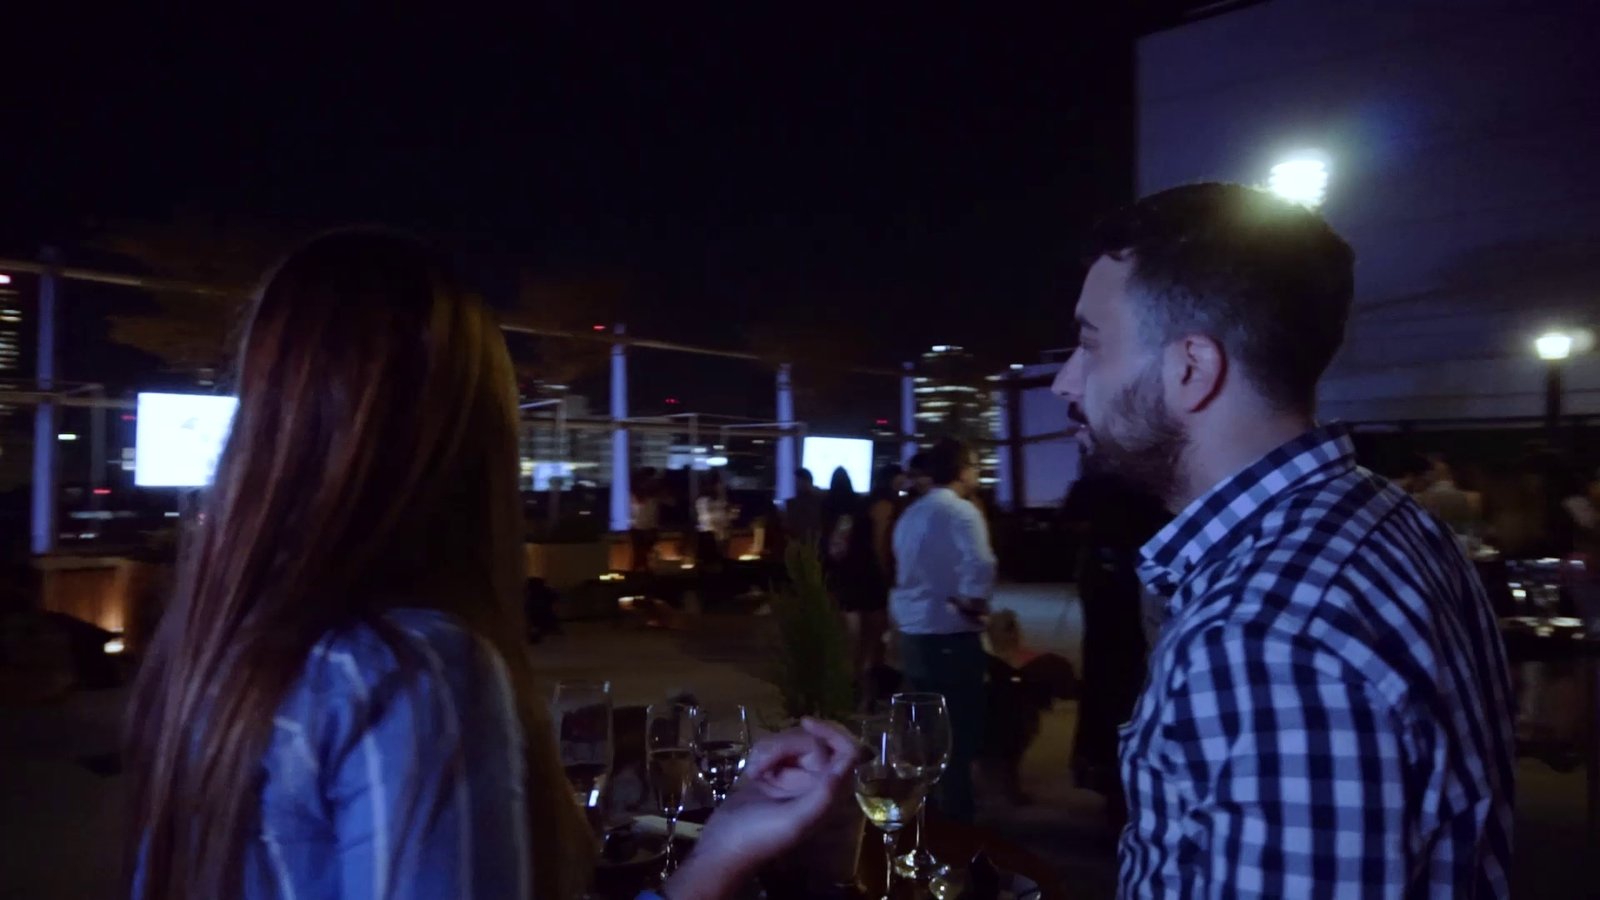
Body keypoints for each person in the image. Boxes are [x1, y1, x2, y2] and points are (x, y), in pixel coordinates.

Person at [123, 230, 857, 900]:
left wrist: (720, 849)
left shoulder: (212, 661)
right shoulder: (414, 671)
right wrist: (715, 871)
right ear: (473, 437)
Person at [1052, 184, 1514, 896]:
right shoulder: (1384, 515)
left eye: (1090, 344)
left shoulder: (1266, 637)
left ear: (1190, 369)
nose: (1065, 381)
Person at [889, 437, 995, 823]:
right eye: (975, 466)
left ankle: (926, 811)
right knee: (958, 731)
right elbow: (979, 565)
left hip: (914, 631)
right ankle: (957, 819)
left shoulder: (911, 514)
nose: (977, 473)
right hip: (950, 631)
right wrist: (974, 605)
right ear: (962, 470)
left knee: (923, 727)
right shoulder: (962, 512)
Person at [1058, 461, 1169, 817]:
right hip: (1122, 584)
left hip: (1114, 583)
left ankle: (1111, 777)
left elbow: (1070, 520)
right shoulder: (1145, 483)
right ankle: (1116, 781)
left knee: (1113, 678)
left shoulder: (1107, 481)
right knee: (1122, 679)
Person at [823, 467, 891, 700]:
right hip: (870, 575)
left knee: (853, 635)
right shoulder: (862, 509)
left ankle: (853, 680)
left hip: (848, 578)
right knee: (872, 636)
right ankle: (869, 679)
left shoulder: (838, 514)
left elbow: (836, 549)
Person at [695, 473, 734, 569]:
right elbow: (706, 519)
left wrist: (729, 515)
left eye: (720, 486)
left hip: (722, 535)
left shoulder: (722, 501)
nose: (719, 488)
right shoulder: (703, 501)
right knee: (711, 562)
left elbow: (728, 516)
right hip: (709, 537)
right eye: (717, 486)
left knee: (723, 558)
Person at [629, 468, 663, 573]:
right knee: (641, 555)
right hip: (639, 529)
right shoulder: (638, 495)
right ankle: (641, 572)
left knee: (645, 554)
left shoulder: (653, 495)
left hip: (649, 528)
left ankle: (644, 571)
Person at [784, 468, 824, 550]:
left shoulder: (818, 499)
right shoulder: (793, 502)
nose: (794, 484)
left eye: (796, 481)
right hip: (801, 544)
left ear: (805, 481)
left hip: (810, 544)